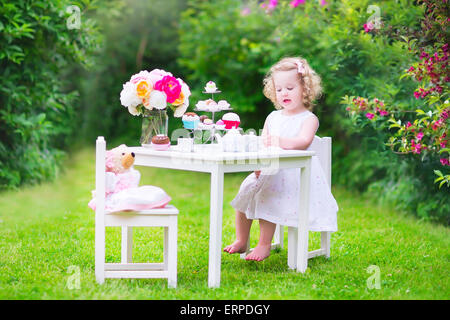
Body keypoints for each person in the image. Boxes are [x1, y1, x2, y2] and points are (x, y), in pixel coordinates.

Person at [224, 56, 338, 261]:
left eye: (290, 88)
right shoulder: (273, 117)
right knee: (245, 191)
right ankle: (242, 239)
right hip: (269, 170)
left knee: (270, 192)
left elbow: (303, 141)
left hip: (296, 177)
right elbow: (262, 146)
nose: (283, 93)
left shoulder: (309, 119)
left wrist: (279, 140)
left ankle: (264, 244)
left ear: (305, 89)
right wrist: (258, 165)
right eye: (279, 89)